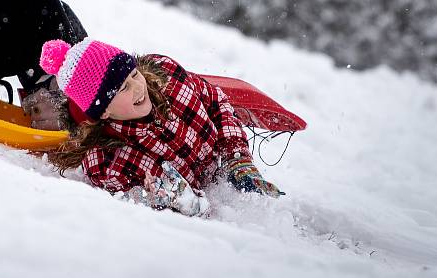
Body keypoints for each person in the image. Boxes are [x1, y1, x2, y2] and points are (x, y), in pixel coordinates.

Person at [39, 38, 283, 216]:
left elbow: (216, 100)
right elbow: (153, 220)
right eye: (123, 88)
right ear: (103, 111)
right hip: (207, 206)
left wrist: (236, 156)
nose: (137, 87)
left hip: (221, 166)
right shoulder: (109, 163)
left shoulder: (169, 77)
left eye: (134, 74)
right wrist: (181, 203)